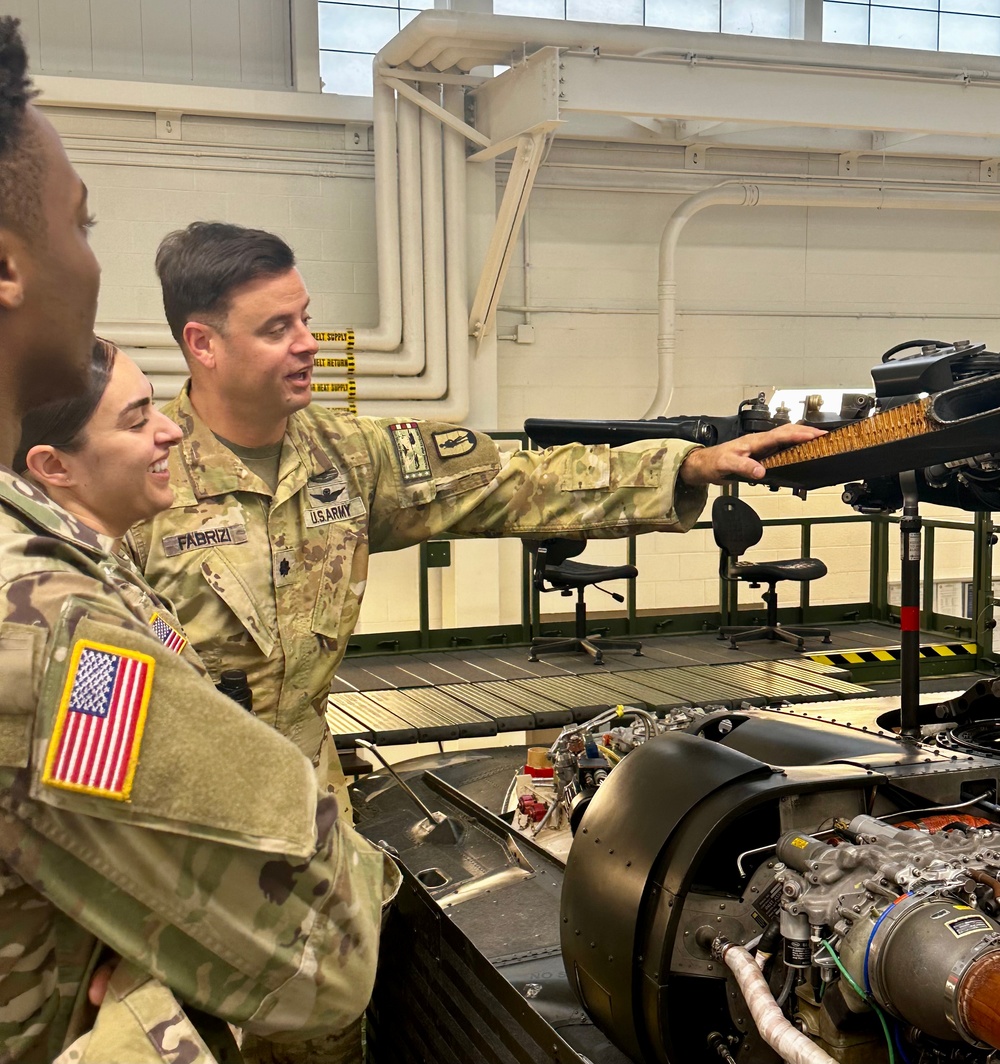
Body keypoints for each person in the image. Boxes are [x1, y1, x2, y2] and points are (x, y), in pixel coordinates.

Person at [0, 20, 396, 1064]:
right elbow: (328, 952)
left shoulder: (63, 573)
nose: (91, 260)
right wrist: (153, 1001)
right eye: (80, 224)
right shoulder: (49, 628)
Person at [126, 222, 823, 811]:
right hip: (181, 814)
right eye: (277, 328)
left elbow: (518, 482)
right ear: (203, 344)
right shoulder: (134, 483)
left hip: (311, 805)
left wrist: (688, 464)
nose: (308, 342)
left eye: (305, 317)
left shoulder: (348, 456)